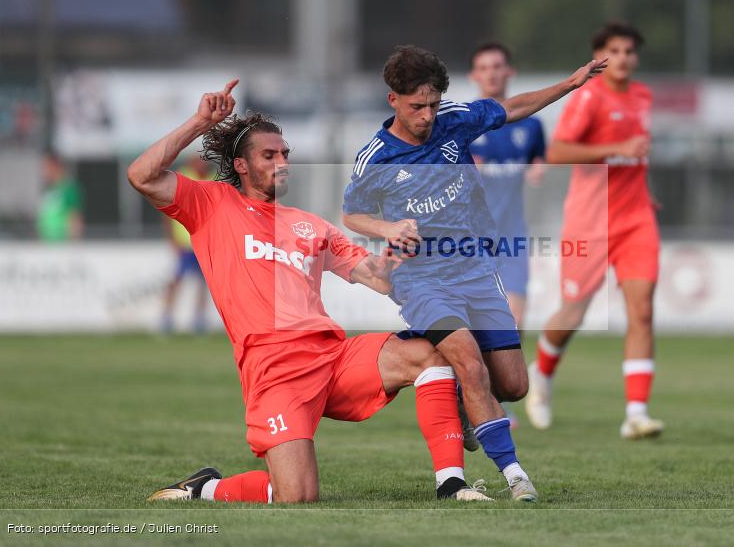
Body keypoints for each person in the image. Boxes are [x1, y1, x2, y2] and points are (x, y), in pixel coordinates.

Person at [128, 80, 490, 503]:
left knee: (427, 355)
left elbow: (375, 277)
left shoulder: (309, 224)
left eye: (285, 155)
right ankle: (205, 488)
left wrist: (396, 250)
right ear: (241, 166)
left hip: (331, 357)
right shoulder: (212, 204)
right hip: (274, 369)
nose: (282, 162)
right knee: (296, 496)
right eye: (269, 155)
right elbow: (141, 175)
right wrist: (199, 123)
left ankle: (452, 485)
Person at [342, 45, 607, 501]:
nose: (427, 116)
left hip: (476, 271)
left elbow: (512, 109)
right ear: (394, 101)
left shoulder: (457, 120)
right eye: (416, 107)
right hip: (419, 279)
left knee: (513, 384)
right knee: (466, 358)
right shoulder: (376, 156)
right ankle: (515, 475)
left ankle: (464, 396)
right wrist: (386, 227)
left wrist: (568, 84)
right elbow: (352, 214)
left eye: (432, 105)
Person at [526, 22, 665, 440]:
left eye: (629, 51)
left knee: (641, 310)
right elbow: (557, 152)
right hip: (590, 219)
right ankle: (542, 374)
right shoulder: (588, 97)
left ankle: (636, 414)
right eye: (615, 50)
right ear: (601, 55)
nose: (623, 57)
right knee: (575, 312)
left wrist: (643, 185)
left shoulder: (643, 96)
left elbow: (636, 156)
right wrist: (615, 150)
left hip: (637, 217)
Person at [467, 42, 547, 428]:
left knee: (515, 322)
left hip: (513, 239)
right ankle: (475, 396)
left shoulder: (529, 124)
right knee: (474, 325)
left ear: (509, 71)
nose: (492, 72)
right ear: (474, 76)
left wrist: (538, 169)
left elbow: (539, 161)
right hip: (472, 241)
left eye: (498, 66)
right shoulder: (464, 123)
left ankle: (499, 398)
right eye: (484, 67)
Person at [161, 154, 211, 334]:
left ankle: (199, 319)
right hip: (184, 242)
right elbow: (167, 209)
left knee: (203, 282)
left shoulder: (213, 179)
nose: (202, 163)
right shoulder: (182, 177)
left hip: (204, 242)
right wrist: (171, 238)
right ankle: (166, 318)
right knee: (176, 280)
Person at [37, 153, 84, 242]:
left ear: (55, 165)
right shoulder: (48, 189)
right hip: (46, 245)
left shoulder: (69, 189)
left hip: (62, 246)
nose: (43, 171)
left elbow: (75, 219)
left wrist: (72, 244)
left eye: (46, 167)